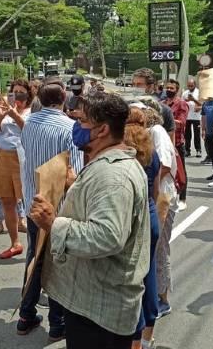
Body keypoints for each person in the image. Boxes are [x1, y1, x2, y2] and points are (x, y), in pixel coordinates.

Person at [31, 92, 150, 349]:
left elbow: (106, 237)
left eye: (82, 121)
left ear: (102, 129)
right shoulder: (107, 164)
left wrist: (54, 224)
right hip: (93, 301)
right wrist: (76, 185)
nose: (75, 125)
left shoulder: (113, 175)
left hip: (100, 311)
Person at [17, 77, 83, 341]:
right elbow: (74, 175)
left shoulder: (29, 123)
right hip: (57, 206)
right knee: (57, 262)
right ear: (63, 97)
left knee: (35, 255)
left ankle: (25, 314)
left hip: (33, 201)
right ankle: (57, 323)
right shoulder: (69, 127)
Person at [125, 107, 161, 349]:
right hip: (150, 213)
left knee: (128, 278)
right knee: (148, 275)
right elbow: (156, 189)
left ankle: (132, 338)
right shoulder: (151, 149)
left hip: (128, 215)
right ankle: (146, 338)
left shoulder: (121, 149)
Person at [0, 79, 32, 259]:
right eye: (14, 92)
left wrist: (15, 116)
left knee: (29, 200)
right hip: (3, 156)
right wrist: (0, 115)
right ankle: (15, 243)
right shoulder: (4, 110)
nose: (17, 96)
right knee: (7, 201)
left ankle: (37, 242)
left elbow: (30, 131)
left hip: (23, 158)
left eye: (22, 92)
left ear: (28, 95)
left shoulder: (33, 111)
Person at [140, 101, 177, 319]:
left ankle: (162, 299)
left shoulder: (157, 131)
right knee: (152, 248)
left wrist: (147, 186)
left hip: (162, 195)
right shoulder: (147, 133)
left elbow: (163, 164)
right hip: (155, 193)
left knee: (160, 248)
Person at [163, 79, 189, 210]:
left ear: (177, 90)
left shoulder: (181, 104)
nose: (168, 90)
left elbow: (182, 122)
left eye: (171, 88)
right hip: (163, 142)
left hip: (177, 142)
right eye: (167, 87)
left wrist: (167, 119)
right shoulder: (161, 103)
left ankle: (183, 198)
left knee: (180, 170)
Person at [131, 68, 176, 140]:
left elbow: (170, 141)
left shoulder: (165, 110)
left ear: (150, 86)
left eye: (139, 85)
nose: (135, 88)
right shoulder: (128, 108)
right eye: (133, 84)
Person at [182, 77, 202, 158]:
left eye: (191, 86)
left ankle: (198, 150)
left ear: (195, 85)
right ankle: (187, 150)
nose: (190, 87)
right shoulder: (185, 93)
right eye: (189, 86)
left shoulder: (199, 92)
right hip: (187, 116)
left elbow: (201, 103)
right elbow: (181, 103)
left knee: (197, 134)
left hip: (196, 116)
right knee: (187, 135)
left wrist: (193, 99)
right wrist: (185, 101)